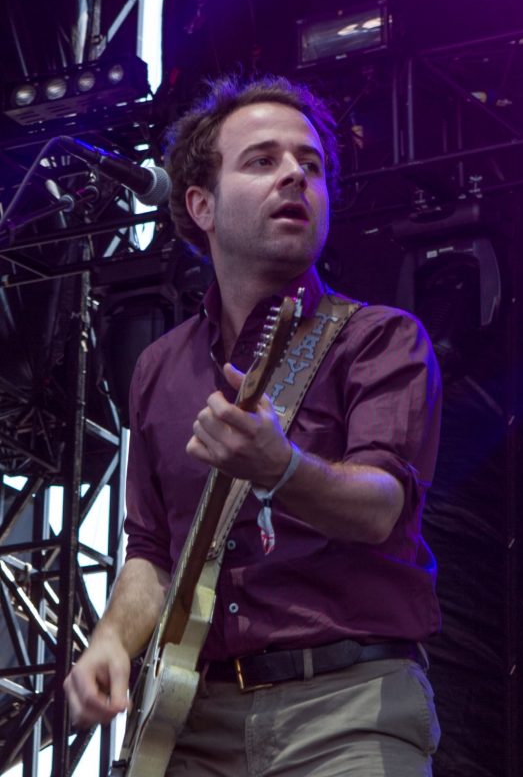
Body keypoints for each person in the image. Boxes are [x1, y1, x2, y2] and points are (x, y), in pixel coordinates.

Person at [64, 74, 442, 776]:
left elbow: (380, 509)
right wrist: (111, 641)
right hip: (189, 715)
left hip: (347, 707)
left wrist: (283, 468)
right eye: (262, 160)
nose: (295, 175)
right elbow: (151, 550)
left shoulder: (379, 339)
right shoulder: (158, 368)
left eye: (311, 165)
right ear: (200, 205)